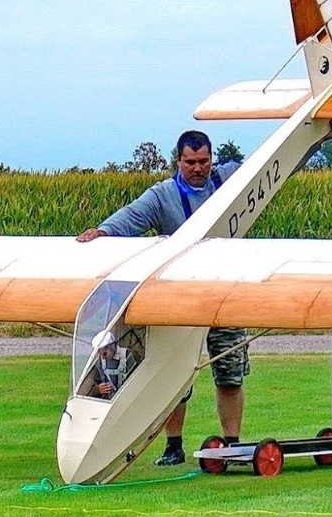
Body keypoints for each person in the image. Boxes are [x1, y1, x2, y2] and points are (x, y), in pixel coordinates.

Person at [77, 129, 248, 466]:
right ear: (178, 161)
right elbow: (131, 216)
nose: (197, 168)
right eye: (190, 162)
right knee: (174, 375)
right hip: (179, 297)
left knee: (230, 374)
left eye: (203, 161)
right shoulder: (163, 196)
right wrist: (103, 231)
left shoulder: (230, 179)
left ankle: (233, 443)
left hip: (225, 294)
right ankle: (174, 445)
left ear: (212, 160)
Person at [90, 330, 132, 399]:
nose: (103, 357)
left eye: (105, 354)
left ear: (112, 347)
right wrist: (98, 389)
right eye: (100, 354)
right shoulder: (100, 362)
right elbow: (96, 382)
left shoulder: (127, 355)